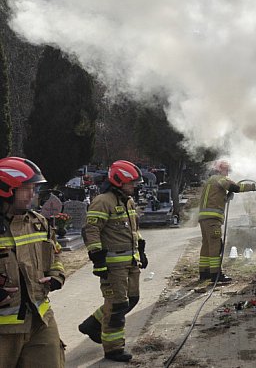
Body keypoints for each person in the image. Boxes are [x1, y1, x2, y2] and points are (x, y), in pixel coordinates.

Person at [77, 160, 148, 362]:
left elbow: (133, 229)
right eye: (131, 182)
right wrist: (97, 259)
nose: (135, 186)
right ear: (119, 181)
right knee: (117, 306)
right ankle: (113, 349)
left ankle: (92, 324)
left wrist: (140, 249)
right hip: (113, 265)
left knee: (131, 299)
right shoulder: (103, 201)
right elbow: (91, 230)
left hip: (131, 261)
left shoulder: (128, 201)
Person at [0, 157, 66, 368]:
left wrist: (56, 276)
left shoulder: (39, 223)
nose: (32, 194)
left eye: (34, 188)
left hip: (40, 320)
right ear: (6, 189)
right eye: (26, 188)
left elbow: (54, 254)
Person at [198, 160, 256, 282]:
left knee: (206, 245)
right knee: (215, 246)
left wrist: (225, 197)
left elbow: (213, 198)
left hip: (204, 218)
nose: (228, 173)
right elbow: (237, 187)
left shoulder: (210, 181)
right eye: (227, 170)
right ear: (220, 169)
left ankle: (204, 272)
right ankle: (216, 275)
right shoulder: (220, 179)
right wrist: (255, 187)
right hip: (213, 219)